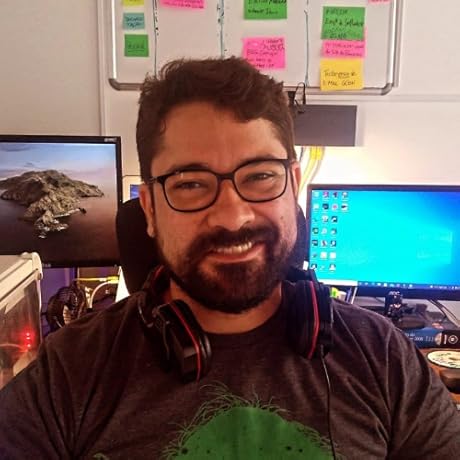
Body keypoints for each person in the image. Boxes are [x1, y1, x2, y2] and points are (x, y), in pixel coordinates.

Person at [0, 57, 459, 459]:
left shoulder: (382, 356)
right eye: (191, 184)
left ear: (293, 185)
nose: (233, 216)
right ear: (150, 210)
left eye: (259, 176)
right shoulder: (70, 372)